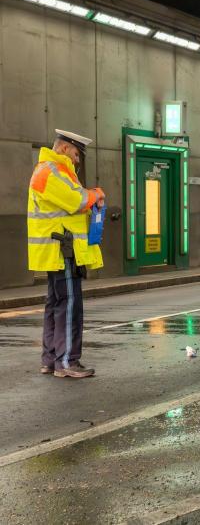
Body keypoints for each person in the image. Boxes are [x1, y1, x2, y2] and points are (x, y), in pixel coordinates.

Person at [28, 129, 105, 378]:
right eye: (75, 153)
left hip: (57, 250)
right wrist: (97, 194)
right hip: (63, 251)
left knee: (56, 305)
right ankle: (67, 362)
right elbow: (77, 201)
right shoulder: (52, 171)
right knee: (69, 306)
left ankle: (51, 359)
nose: (77, 160)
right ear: (63, 148)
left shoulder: (52, 171)